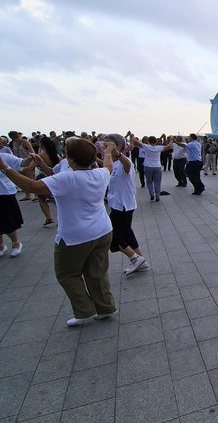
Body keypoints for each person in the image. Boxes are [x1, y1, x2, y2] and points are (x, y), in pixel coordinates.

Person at [0, 138, 118, 326]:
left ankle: (84, 310)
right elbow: (109, 166)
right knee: (97, 272)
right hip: (102, 230)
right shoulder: (100, 173)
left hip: (75, 236)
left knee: (67, 274)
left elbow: (31, 187)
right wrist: (109, 151)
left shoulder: (67, 178)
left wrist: (5, 168)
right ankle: (105, 307)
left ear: (70, 160)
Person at [103, 134, 149, 276]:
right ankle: (141, 260)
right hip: (116, 203)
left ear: (118, 146)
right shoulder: (113, 163)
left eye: (108, 145)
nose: (105, 147)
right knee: (127, 233)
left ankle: (135, 258)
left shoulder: (124, 161)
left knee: (112, 236)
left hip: (123, 204)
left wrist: (117, 153)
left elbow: (128, 165)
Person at [129, 133, 173, 201]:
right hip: (157, 166)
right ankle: (157, 196)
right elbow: (169, 146)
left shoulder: (146, 146)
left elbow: (136, 142)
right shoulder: (159, 147)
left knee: (149, 182)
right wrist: (171, 140)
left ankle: (151, 194)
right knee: (157, 182)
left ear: (148, 141)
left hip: (148, 166)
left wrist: (132, 136)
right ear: (155, 141)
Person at [0, 152, 25, 257]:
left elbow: (21, 162)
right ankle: (1, 246)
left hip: (4, 193)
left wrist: (31, 158)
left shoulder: (4, 156)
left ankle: (16, 243)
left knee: (8, 222)